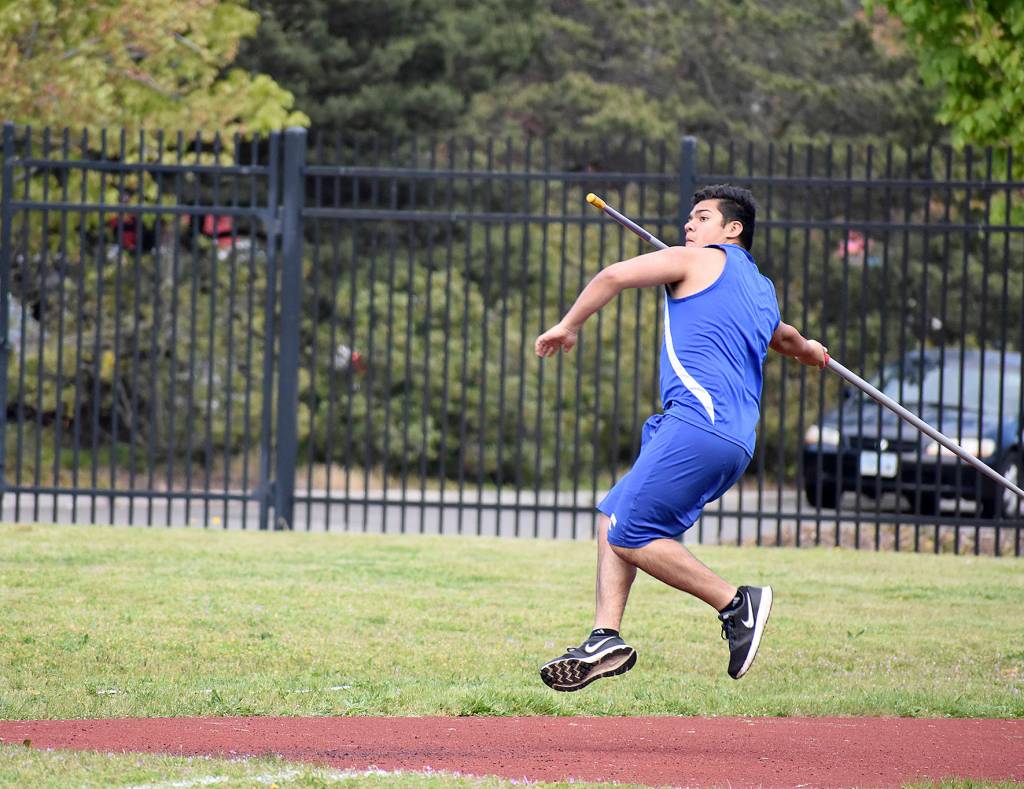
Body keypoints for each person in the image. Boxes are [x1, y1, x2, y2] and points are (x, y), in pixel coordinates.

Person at [534, 184, 827, 692]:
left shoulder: (695, 261)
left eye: (702, 216)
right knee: (615, 514)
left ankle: (736, 603)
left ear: (732, 229)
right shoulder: (760, 288)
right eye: (689, 219)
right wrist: (810, 351)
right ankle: (605, 635)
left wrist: (569, 325)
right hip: (729, 438)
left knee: (630, 535)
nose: (689, 225)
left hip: (698, 424)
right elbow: (785, 338)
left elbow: (614, 275)